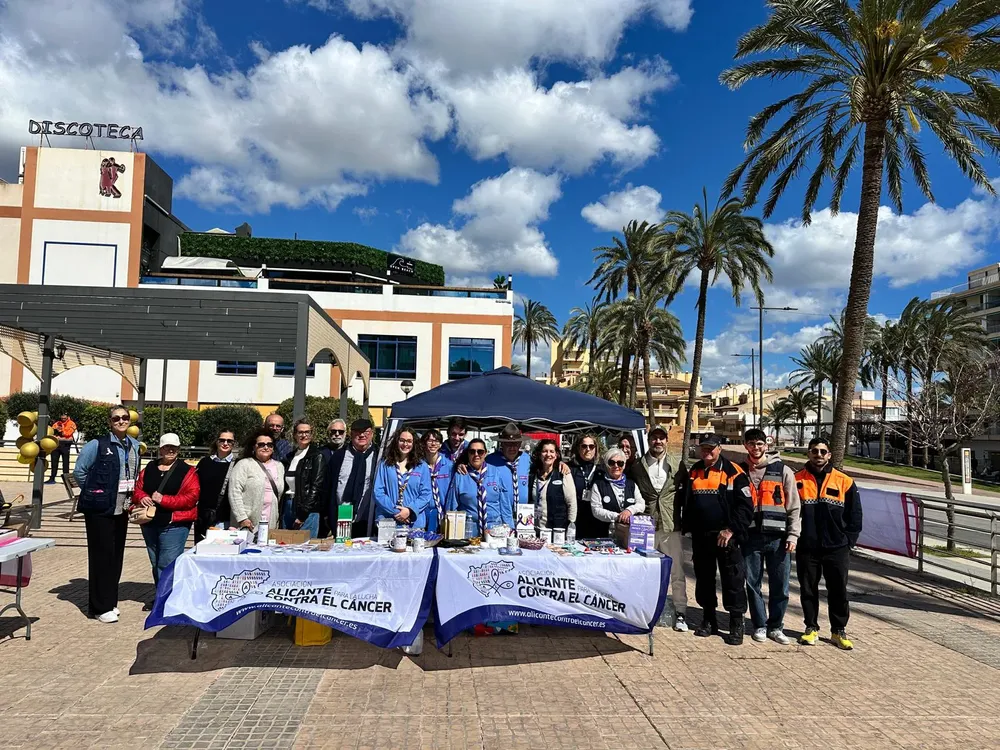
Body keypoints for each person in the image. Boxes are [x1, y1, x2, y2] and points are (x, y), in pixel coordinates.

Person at [679, 434, 753, 646]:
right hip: (702, 538)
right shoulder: (694, 471)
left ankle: (736, 623)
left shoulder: (734, 472)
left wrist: (730, 530)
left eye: (711, 448)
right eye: (703, 448)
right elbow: (688, 502)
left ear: (719, 449)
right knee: (704, 580)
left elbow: (746, 507)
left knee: (733, 581)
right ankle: (708, 619)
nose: (707, 452)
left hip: (727, 538)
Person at [74, 405, 140, 623]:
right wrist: (95, 492)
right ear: (110, 422)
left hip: (121, 508)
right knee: (101, 557)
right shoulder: (97, 445)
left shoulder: (135, 446)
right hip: (100, 509)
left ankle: (110, 600)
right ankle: (100, 607)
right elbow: (80, 472)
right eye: (116, 418)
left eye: (125, 418)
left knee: (115, 557)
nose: (121, 421)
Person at [795, 437, 863, 650]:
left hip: (837, 548)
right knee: (808, 589)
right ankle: (811, 628)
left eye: (823, 451)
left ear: (829, 455)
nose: (818, 455)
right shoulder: (797, 479)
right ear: (808, 453)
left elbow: (855, 515)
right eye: (814, 451)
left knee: (838, 590)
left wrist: (848, 541)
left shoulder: (844, 481)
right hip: (807, 547)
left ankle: (838, 630)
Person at [738, 428, 801, 645]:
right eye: (751, 444)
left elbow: (794, 506)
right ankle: (760, 625)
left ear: (767, 445)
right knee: (752, 583)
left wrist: (793, 535)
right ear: (745, 445)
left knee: (780, 584)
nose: (756, 448)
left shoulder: (783, 470)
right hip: (750, 537)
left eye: (760, 444)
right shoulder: (739, 471)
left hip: (779, 538)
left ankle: (776, 626)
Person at [629, 425, 689, 632]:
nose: (658, 442)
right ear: (649, 441)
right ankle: (645, 611)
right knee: (645, 570)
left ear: (666, 440)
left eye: (661, 438)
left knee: (677, 571)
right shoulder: (637, 465)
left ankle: (681, 612)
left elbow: (685, 493)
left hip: (671, 524)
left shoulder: (678, 464)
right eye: (654, 438)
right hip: (645, 525)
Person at [131, 433, 199, 604]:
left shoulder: (187, 471)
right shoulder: (150, 468)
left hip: (175, 523)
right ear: (160, 449)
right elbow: (138, 488)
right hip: (149, 522)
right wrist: (142, 497)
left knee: (167, 563)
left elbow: (192, 497)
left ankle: (166, 600)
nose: (170, 450)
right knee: (155, 562)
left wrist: (164, 500)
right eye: (167, 447)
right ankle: (163, 596)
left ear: (178, 449)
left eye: (174, 447)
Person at [448, 438, 514, 536]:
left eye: (480, 451)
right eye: (472, 451)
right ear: (467, 454)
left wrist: (511, 529)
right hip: (469, 530)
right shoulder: (460, 475)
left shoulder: (496, 473)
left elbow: (505, 505)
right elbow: (452, 507)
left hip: (494, 530)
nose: (476, 455)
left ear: (485, 453)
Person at [228, 428, 286, 536]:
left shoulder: (279, 466)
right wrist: (242, 518)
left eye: (269, 444)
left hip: (271, 523)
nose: (266, 447)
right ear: (254, 446)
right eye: (261, 444)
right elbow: (234, 492)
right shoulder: (244, 464)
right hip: (247, 524)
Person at [328, 418, 378, 537]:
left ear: (371, 434)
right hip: (343, 514)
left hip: (368, 516)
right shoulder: (339, 456)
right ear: (351, 434)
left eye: (366, 432)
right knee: (343, 550)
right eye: (357, 432)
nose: (361, 435)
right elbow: (328, 486)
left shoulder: (379, 456)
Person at [373, 427, 432, 528]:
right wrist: (397, 512)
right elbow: (378, 492)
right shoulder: (385, 464)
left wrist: (410, 510)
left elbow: (426, 494)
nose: (405, 444)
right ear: (396, 441)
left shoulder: (422, 466)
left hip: (413, 522)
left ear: (414, 444)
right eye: (402, 440)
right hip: (388, 521)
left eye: (409, 441)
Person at [281, 419, 328, 539]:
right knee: (286, 546)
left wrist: (302, 514)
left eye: (307, 432)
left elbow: (316, 488)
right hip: (288, 505)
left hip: (307, 509)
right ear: (295, 435)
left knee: (305, 547)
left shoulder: (317, 456)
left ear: (312, 434)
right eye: (300, 432)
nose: (304, 435)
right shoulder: (290, 457)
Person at [588, 447, 645, 535]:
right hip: (603, 533)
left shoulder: (631, 484)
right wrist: (618, 517)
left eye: (620, 463)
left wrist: (629, 511)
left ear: (624, 465)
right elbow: (596, 510)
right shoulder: (598, 485)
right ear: (607, 464)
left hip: (628, 533)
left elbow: (641, 504)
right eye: (612, 463)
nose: (616, 466)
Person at [193, 430, 237, 543]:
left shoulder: (238, 464)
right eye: (222, 440)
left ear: (234, 444)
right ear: (217, 442)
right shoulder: (204, 463)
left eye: (229, 441)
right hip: (204, 517)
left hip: (226, 518)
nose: (225, 443)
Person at [529, 439, 577, 533]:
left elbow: (572, 502)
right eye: (544, 451)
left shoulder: (563, 474)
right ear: (539, 454)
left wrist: (571, 525)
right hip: (536, 529)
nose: (548, 454)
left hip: (557, 529)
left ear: (556, 455)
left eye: (551, 451)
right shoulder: (533, 474)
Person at [569, 434, 605, 539]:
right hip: (576, 519)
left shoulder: (602, 469)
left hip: (597, 521)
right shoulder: (570, 468)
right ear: (578, 448)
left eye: (591, 446)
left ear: (596, 449)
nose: (588, 449)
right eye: (584, 446)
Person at [421, 429, 453, 533]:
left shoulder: (449, 466)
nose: (433, 443)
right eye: (429, 441)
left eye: (436, 441)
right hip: (423, 512)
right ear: (424, 444)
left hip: (443, 512)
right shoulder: (418, 466)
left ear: (440, 445)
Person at [46, 413, 77, 484]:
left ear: (68, 417)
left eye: (64, 419)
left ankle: (66, 480)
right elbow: (52, 431)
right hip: (56, 444)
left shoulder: (72, 424)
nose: (63, 420)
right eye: (62, 418)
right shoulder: (57, 423)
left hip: (66, 444)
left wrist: (61, 431)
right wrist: (55, 431)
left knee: (65, 463)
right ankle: (52, 478)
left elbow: (68, 433)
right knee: (54, 462)